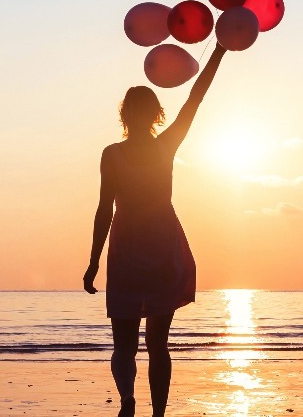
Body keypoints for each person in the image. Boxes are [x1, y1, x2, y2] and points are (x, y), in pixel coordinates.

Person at [82, 44, 228, 417]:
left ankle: (128, 400)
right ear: (155, 114)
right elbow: (195, 99)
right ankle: (157, 415)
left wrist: (94, 261)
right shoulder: (165, 145)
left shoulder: (112, 154)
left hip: (130, 249)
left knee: (124, 344)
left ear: (125, 115)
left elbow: (104, 209)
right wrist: (219, 50)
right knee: (158, 344)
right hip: (161, 248)